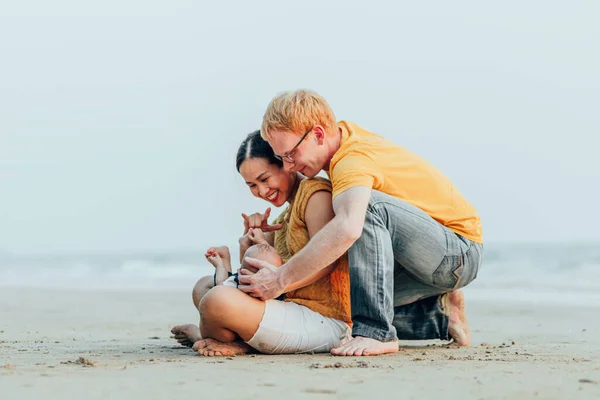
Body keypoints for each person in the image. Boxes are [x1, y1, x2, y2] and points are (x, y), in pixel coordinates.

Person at [238, 90, 484, 356]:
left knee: (361, 207)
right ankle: (440, 315)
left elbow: (348, 228)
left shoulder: (351, 160)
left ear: (318, 135)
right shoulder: (341, 140)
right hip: (419, 258)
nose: (288, 166)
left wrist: (280, 280)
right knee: (336, 296)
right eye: (282, 157)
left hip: (456, 253)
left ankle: (376, 332)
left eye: (290, 154)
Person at [171, 130, 352, 356]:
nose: (262, 191)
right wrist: (249, 242)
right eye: (252, 185)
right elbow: (252, 282)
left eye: (264, 179)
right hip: (288, 309)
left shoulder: (316, 196)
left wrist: (279, 282)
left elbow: (327, 261)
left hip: (324, 320)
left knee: (215, 301)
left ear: (286, 164)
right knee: (204, 288)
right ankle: (224, 336)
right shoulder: (283, 218)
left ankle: (209, 337)